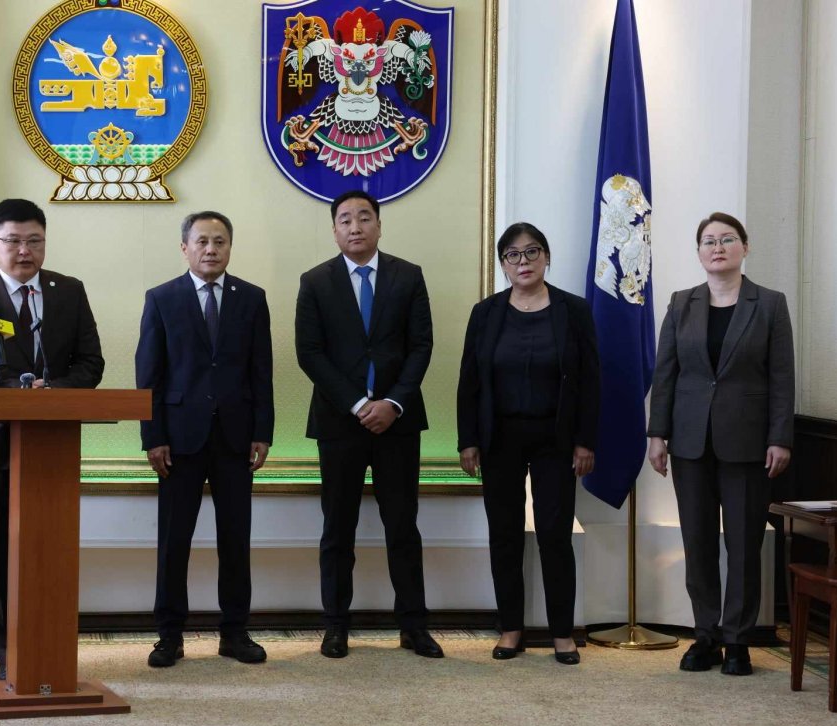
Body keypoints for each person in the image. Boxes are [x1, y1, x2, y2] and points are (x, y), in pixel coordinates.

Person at [0, 198, 104, 680]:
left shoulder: (69, 291)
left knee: (48, 552)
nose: (24, 251)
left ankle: (48, 649)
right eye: (13, 241)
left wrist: (52, 391)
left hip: (51, 446)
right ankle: (8, 656)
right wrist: (10, 391)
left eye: (35, 241)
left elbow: (91, 364)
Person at [294, 190, 441, 659]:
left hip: (397, 423)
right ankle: (336, 625)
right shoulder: (315, 281)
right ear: (334, 230)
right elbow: (309, 353)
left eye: (363, 218)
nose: (354, 227)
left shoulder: (408, 276)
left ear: (379, 225)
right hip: (340, 423)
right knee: (338, 529)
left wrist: (393, 402)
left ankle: (413, 626)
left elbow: (421, 346)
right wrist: (358, 403)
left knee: (403, 527)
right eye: (345, 220)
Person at [647, 212, 793, 676]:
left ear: (745, 248)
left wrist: (780, 437)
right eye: (708, 241)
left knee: (745, 545)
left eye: (727, 239)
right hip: (690, 442)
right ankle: (706, 635)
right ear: (699, 253)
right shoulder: (681, 303)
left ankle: (738, 640)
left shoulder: (769, 304)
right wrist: (657, 433)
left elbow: (782, 377)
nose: (717, 247)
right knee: (699, 542)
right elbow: (665, 374)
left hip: (749, 442)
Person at [135, 211, 274, 668]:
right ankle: (169, 636)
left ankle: (234, 632)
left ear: (230, 247)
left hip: (236, 437)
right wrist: (153, 436)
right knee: (174, 541)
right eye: (202, 241)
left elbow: (262, 370)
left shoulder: (251, 298)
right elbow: (148, 374)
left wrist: (263, 431)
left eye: (220, 241)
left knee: (236, 539)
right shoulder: (161, 298)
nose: (211, 249)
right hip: (178, 439)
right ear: (185, 248)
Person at [456, 223, 599, 665]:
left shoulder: (574, 310)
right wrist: (468, 440)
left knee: (555, 536)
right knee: (504, 535)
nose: (523, 262)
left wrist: (585, 441)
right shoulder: (486, 313)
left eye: (532, 252)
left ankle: (562, 634)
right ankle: (511, 628)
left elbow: (590, 380)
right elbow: (470, 380)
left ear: (547, 257)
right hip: (499, 438)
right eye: (513, 255)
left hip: (556, 440)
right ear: (503, 264)